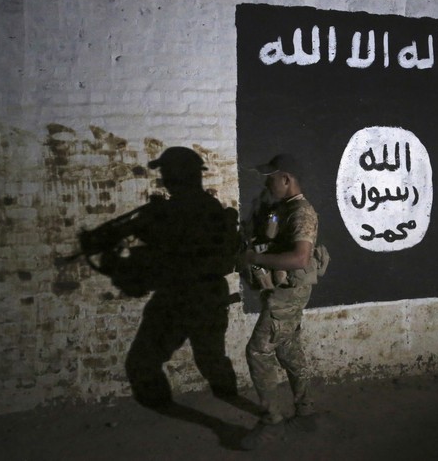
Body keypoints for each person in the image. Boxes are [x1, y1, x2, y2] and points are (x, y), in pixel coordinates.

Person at [80, 146, 241, 408]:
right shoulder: (206, 207)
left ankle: (172, 409)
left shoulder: (171, 212)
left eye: (166, 172)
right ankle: (237, 406)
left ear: (177, 175)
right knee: (211, 360)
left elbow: (150, 249)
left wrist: (110, 250)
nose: (163, 177)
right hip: (206, 296)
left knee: (144, 361)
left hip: (180, 297)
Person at [239, 153, 320, 450]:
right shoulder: (284, 209)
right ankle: (306, 412)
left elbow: (300, 258)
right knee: (287, 347)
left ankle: (272, 423)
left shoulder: (301, 213)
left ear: (286, 179)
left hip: (287, 296)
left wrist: (256, 258)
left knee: (258, 351)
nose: (267, 181)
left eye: (271, 177)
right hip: (284, 293)